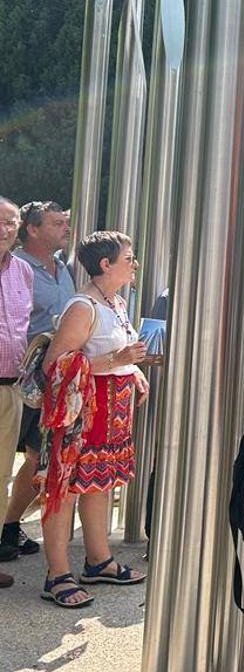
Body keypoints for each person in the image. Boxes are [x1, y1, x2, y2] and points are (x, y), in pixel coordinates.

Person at [39, 231, 151, 608]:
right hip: (82, 415)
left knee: (98, 485)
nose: (134, 264)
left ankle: (98, 560)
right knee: (65, 488)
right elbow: (55, 364)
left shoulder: (114, 302)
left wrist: (131, 370)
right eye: (129, 257)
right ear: (106, 264)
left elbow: (112, 355)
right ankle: (57, 574)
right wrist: (118, 362)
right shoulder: (83, 306)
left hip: (109, 415)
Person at [3, 201, 74, 558]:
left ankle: (9, 527)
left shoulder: (63, 268)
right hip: (17, 379)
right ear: (32, 230)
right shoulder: (17, 268)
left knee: (34, 457)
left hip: (44, 383)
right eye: (57, 223)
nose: (65, 228)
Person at [0, 196, 32, 586]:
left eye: (12, 222)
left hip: (11, 390)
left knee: (1, 475)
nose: (6, 228)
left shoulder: (22, 271)